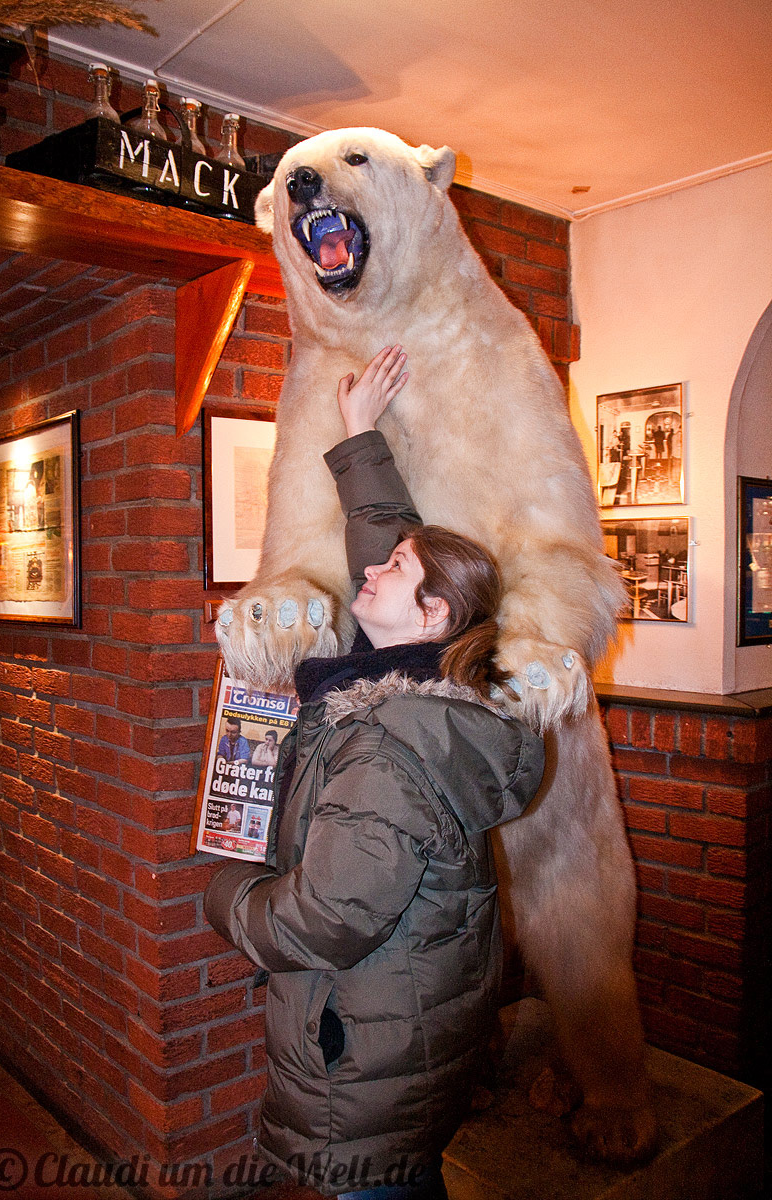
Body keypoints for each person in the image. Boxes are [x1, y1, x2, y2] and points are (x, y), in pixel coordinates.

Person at [204, 347, 545, 1200]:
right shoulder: (421, 688)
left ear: (431, 615)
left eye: (396, 572)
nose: (373, 567)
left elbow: (325, 922)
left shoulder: (391, 742)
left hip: (361, 1039)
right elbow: (385, 534)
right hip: (404, 1019)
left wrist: (226, 897)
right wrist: (360, 435)